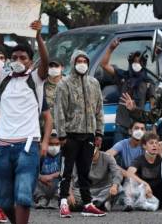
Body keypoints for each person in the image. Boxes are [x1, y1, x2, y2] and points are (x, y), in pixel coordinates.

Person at [0, 15, 48, 224]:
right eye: (14, 57)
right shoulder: (2, 77)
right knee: (3, 198)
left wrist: (39, 36)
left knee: (23, 196)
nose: (18, 61)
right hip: (4, 146)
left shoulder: (36, 78)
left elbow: (45, 59)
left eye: (23, 57)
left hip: (28, 145)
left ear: (30, 61)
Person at [54, 50, 105, 218]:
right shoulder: (64, 84)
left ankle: (87, 204)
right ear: (73, 62)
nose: (82, 63)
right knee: (66, 170)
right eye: (79, 60)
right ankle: (63, 202)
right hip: (70, 135)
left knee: (84, 171)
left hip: (89, 134)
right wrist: (61, 135)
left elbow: (99, 110)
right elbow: (59, 111)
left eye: (85, 60)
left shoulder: (94, 83)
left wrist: (99, 132)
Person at [100, 39, 155, 144]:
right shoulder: (123, 76)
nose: (136, 64)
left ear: (144, 64)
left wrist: (152, 127)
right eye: (134, 62)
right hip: (121, 125)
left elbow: (153, 106)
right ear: (130, 63)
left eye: (139, 62)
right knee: (118, 156)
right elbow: (104, 65)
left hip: (139, 127)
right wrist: (111, 48)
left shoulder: (148, 82)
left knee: (137, 157)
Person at [69, 145, 122, 212]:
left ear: (97, 151)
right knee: (63, 191)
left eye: (92, 155)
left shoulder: (108, 157)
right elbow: (69, 177)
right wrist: (70, 194)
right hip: (83, 190)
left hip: (102, 189)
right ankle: (99, 205)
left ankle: (92, 204)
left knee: (119, 188)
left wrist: (115, 186)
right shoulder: (79, 158)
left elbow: (117, 173)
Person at [126, 132, 162, 210]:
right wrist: (145, 184)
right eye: (151, 143)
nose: (154, 145)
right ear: (144, 146)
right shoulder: (139, 159)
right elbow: (129, 173)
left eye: (156, 143)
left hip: (159, 194)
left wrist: (161, 156)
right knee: (129, 181)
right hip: (145, 193)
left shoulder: (161, 159)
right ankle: (129, 203)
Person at [34, 130, 61, 209]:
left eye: (56, 144)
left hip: (56, 186)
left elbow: (66, 172)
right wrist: (41, 177)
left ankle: (55, 200)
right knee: (30, 177)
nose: (54, 147)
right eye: (51, 144)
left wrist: (51, 176)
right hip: (42, 186)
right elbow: (32, 170)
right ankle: (41, 199)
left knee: (66, 180)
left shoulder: (63, 155)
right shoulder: (40, 155)